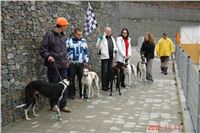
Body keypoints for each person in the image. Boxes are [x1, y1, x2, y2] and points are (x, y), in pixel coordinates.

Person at [40, 17, 71, 112]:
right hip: (53, 66)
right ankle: (53, 105)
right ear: (61, 26)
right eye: (65, 26)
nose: (66, 27)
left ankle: (63, 105)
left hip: (63, 65)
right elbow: (43, 49)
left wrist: (67, 59)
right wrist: (48, 56)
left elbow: (64, 50)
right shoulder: (49, 35)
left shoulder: (63, 35)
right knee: (53, 87)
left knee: (64, 87)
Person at [66, 28, 89, 99]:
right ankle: (72, 93)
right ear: (74, 34)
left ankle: (83, 93)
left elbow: (86, 51)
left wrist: (86, 61)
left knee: (82, 78)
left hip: (81, 63)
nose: (80, 36)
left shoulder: (83, 41)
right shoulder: (69, 41)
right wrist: (67, 60)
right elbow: (65, 51)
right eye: (78, 34)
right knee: (71, 78)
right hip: (72, 63)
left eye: (81, 34)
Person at [96, 27, 118, 91]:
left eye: (110, 31)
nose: (109, 32)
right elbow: (98, 46)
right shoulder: (102, 38)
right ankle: (104, 86)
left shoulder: (112, 38)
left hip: (111, 57)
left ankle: (108, 84)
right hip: (104, 57)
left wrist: (115, 50)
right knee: (104, 72)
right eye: (107, 31)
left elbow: (115, 46)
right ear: (105, 31)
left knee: (109, 72)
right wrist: (100, 40)